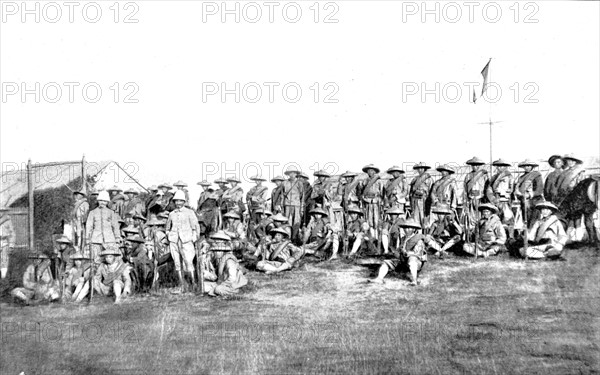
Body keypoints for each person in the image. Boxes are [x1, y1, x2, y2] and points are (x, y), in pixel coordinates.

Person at [368, 218, 427, 286]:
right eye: (405, 228)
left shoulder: (418, 239)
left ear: (414, 229)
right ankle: (379, 278)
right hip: (403, 261)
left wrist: (407, 253)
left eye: (409, 228)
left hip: (416, 263)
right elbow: (399, 251)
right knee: (387, 262)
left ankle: (414, 280)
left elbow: (418, 253)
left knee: (412, 259)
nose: (406, 230)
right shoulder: (403, 239)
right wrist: (395, 253)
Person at [166, 190, 200, 293]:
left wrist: (193, 238)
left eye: (180, 201)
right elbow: (167, 227)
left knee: (188, 262)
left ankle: (193, 284)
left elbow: (196, 227)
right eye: (176, 201)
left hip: (186, 240)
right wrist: (169, 236)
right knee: (177, 262)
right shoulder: (172, 214)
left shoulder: (190, 212)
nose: (178, 203)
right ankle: (182, 285)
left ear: (184, 202)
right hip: (174, 241)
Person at [203, 231, 248, 297]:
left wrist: (221, 284)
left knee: (217, 289)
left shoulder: (229, 261)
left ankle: (230, 294)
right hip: (221, 282)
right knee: (203, 286)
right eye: (215, 251)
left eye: (218, 251)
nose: (216, 253)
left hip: (232, 285)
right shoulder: (218, 260)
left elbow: (232, 279)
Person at [85, 191, 122, 263]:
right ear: (98, 201)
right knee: (96, 258)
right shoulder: (92, 212)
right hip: (96, 239)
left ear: (107, 202)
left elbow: (115, 226)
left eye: (104, 201)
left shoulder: (111, 212)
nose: (102, 202)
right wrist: (87, 238)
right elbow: (89, 226)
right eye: (101, 200)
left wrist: (117, 237)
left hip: (109, 239)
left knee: (110, 258)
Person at [484, 158, 515, 237]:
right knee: (495, 219)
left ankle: (509, 238)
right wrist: (493, 199)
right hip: (495, 201)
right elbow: (489, 189)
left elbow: (512, 188)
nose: (500, 168)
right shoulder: (493, 178)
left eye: (502, 166)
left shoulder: (510, 177)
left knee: (508, 218)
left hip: (505, 201)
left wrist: (507, 191)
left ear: (506, 167)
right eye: (498, 166)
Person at [513, 159, 544, 227]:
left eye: (528, 166)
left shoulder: (537, 175)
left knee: (534, 220)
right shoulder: (521, 177)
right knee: (525, 219)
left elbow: (540, 189)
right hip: (524, 201)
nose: (527, 167)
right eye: (525, 166)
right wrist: (518, 193)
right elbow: (517, 188)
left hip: (535, 201)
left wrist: (530, 194)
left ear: (532, 167)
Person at [463, 157, 488, 226]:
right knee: (471, 217)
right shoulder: (468, 176)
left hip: (481, 198)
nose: (475, 167)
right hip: (471, 198)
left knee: (481, 216)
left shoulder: (484, 175)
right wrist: (466, 200)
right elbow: (465, 188)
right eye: (473, 165)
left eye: (477, 165)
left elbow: (487, 187)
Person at [282, 167, 306, 242]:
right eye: (290, 173)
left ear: (296, 174)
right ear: (288, 174)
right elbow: (282, 195)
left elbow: (302, 196)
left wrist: (301, 207)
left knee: (296, 222)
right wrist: (282, 206)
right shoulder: (285, 183)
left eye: (293, 173)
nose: (292, 175)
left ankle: (294, 238)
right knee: (286, 221)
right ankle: (287, 237)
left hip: (296, 205)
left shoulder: (299, 183)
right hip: (287, 204)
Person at [360, 164, 383, 241]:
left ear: (375, 172)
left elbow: (382, 194)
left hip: (376, 203)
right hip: (367, 203)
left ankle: (377, 237)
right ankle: (371, 236)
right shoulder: (364, 181)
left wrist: (377, 200)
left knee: (376, 219)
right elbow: (362, 193)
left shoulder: (379, 181)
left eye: (372, 170)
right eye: (368, 171)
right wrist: (365, 199)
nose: (370, 172)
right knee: (369, 219)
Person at [409, 162, 433, 227]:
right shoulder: (415, 179)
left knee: (424, 218)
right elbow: (411, 191)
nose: (420, 170)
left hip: (424, 200)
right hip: (415, 200)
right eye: (418, 168)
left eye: (421, 168)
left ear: (424, 169)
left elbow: (431, 191)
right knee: (416, 218)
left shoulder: (428, 178)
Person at [0, 206, 16, 279]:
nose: (0, 212)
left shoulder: (7, 220)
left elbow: (12, 233)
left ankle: (3, 278)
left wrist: (11, 244)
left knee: (4, 260)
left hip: (4, 242)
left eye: (2, 211)